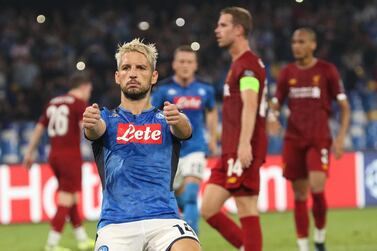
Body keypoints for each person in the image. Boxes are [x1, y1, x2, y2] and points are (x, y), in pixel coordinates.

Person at [83, 38, 201, 251]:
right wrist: (90, 121)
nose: (133, 73)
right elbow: (94, 129)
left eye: (141, 68)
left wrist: (179, 119)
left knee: (189, 247)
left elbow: (184, 130)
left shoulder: (167, 118)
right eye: (126, 68)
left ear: (153, 76)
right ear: (118, 77)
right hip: (116, 224)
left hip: (165, 221)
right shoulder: (106, 118)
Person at [267, 28, 350, 251]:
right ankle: (304, 246)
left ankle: (320, 236)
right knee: (300, 194)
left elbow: (344, 105)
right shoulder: (287, 72)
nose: (296, 45)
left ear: (313, 45)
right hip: (294, 140)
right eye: (294, 41)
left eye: (301, 41)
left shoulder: (327, 70)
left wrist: (341, 137)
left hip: (318, 138)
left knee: (316, 188)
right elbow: (275, 102)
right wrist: (273, 117)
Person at [200, 7, 268, 251]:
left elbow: (250, 104)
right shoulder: (238, 64)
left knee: (246, 207)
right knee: (208, 209)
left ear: (238, 30)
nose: (217, 30)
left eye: (223, 25)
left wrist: (244, 143)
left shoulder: (248, 65)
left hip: (243, 146)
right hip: (229, 149)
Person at [23, 72, 95, 251]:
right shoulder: (79, 104)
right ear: (84, 87)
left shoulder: (53, 102)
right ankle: (51, 244)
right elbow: (84, 130)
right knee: (66, 198)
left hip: (53, 154)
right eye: (89, 90)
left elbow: (39, 128)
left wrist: (29, 153)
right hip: (70, 155)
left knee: (70, 197)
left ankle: (82, 239)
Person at [151, 45, 218, 234]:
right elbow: (151, 116)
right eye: (181, 61)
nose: (185, 65)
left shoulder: (205, 89)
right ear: (174, 64)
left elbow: (212, 112)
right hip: (170, 151)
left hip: (196, 148)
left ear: (195, 65)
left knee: (190, 196)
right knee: (173, 198)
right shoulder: (163, 90)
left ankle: (191, 240)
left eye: (189, 62)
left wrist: (212, 138)